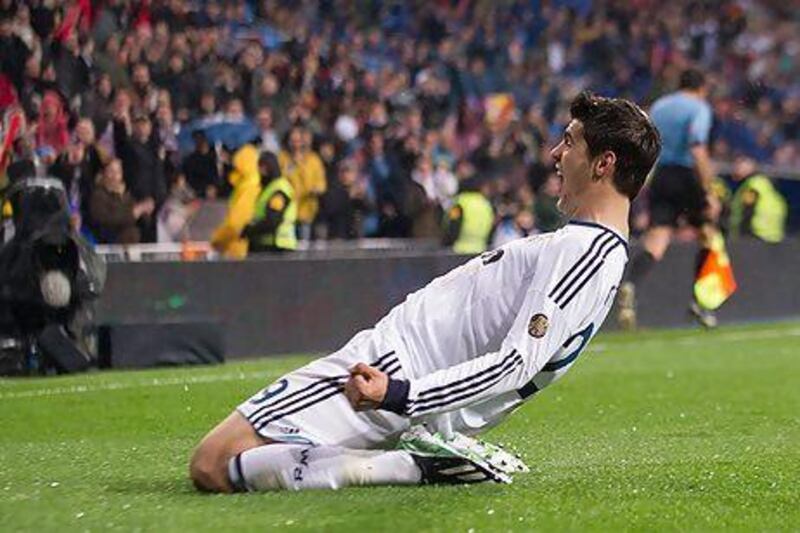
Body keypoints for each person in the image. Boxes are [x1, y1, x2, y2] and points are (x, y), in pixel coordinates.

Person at [189, 92, 661, 493]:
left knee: (212, 462)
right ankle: (418, 454)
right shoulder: (596, 250)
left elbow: (517, 364)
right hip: (407, 369)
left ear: (603, 163)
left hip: (399, 365)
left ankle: (409, 466)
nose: (556, 153)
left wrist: (399, 393)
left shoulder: (585, 250)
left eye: (571, 142)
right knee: (232, 458)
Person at [618, 68, 717, 329]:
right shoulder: (699, 108)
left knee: (657, 240)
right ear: (702, 88)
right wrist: (708, 190)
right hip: (687, 176)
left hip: (661, 176)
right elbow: (697, 146)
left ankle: (631, 284)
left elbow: (646, 144)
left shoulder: (659, 107)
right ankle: (699, 301)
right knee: (708, 233)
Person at [209, 143, 261, 259]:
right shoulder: (251, 185)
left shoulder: (247, 188)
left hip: (240, 250)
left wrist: (218, 241)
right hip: (248, 249)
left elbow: (235, 224)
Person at [242, 151, 297, 253]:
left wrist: (249, 230)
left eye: (263, 167)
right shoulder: (267, 188)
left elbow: (272, 220)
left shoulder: (279, 189)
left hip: (277, 246)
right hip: (266, 244)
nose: (260, 171)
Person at [89, 159, 154, 244]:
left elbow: (141, 221)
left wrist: (145, 210)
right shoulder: (98, 195)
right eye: (111, 171)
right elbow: (107, 220)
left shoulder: (127, 195)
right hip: (109, 243)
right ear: (103, 173)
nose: (115, 175)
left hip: (132, 244)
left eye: (118, 171)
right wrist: (134, 212)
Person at [728, 155, 787, 243]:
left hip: (754, 236)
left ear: (750, 166)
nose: (735, 168)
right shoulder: (765, 184)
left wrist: (742, 236)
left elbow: (748, 208)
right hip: (772, 237)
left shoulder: (753, 184)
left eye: (739, 164)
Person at [442, 176, 495, 254]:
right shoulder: (485, 203)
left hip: (458, 251)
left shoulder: (460, 202)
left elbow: (453, 224)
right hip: (481, 249)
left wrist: (446, 243)